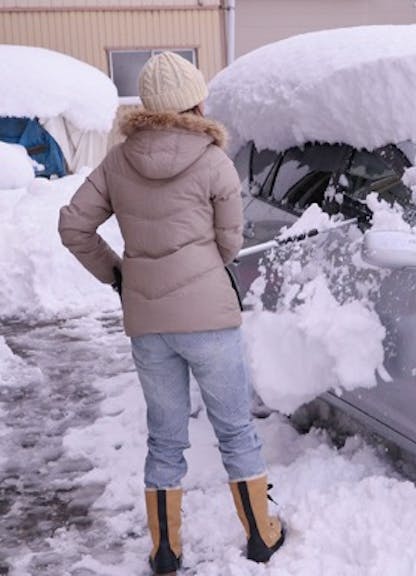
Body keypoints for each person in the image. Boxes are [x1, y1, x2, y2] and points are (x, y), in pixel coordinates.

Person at [58, 52, 284, 575]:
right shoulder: (213, 160)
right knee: (235, 432)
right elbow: (230, 242)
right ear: (195, 101)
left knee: (164, 436)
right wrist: (201, 266)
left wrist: (119, 273)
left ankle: (165, 550)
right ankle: (261, 536)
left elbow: (74, 227)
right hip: (209, 320)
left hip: (149, 326)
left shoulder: (117, 162)